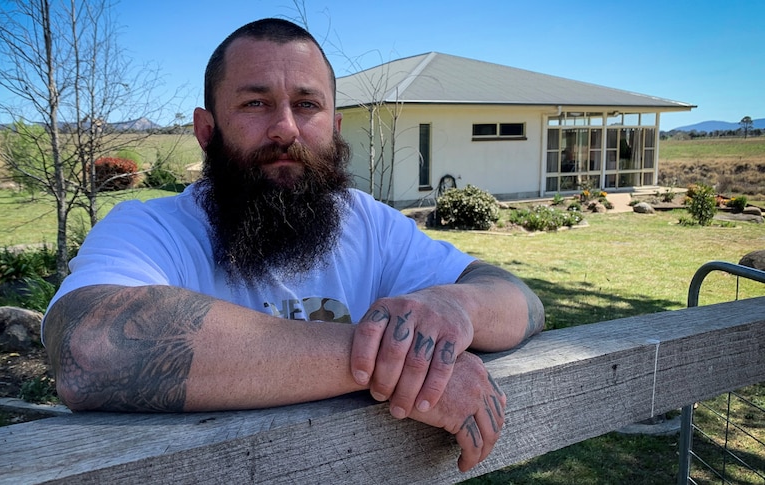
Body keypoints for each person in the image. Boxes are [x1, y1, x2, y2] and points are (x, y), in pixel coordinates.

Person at [41, 18, 544, 472]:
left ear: (335, 126)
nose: (285, 129)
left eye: (307, 105)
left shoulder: (370, 225)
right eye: (255, 103)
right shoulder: (153, 229)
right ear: (205, 130)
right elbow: (89, 346)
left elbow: (522, 302)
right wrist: (402, 357)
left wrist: (454, 307)